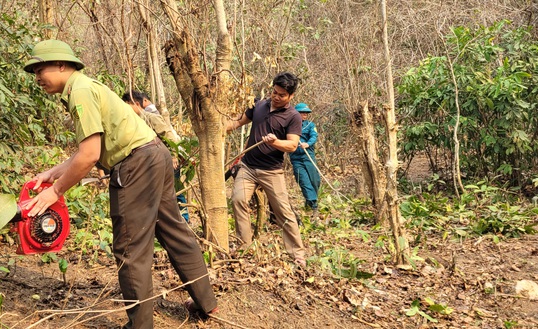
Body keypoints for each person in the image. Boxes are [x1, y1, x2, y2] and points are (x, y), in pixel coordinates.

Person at [21, 40, 217, 328]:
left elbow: (89, 156)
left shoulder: (81, 92)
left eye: (40, 69)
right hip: (154, 154)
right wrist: (53, 173)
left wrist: (55, 191)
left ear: (62, 65)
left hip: (136, 164)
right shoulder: (85, 86)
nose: (37, 77)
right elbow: (90, 150)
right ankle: (207, 304)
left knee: (130, 248)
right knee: (175, 231)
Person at [225, 72, 306, 264]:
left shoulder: (293, 117)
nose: (276, 97)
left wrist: (276, 142)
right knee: (238, 200)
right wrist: (221, 127)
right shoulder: (258, 105)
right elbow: (238, 122)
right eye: (274, 92)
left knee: (283, 211)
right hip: (248, 167)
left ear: (291, 96)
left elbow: (292, 145)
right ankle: (244, 245)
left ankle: (298, 255)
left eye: (281, 95)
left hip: (272, 171)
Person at [121, 90, 189, 222]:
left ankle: (184, 220)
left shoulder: (151, 118)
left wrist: (173, 156)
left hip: (167, 160)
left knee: (175, 192)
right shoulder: (131, 122)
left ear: (135, 104)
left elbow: (168, 136)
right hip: (149, 164)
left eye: (127, 104)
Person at [289, 103, 321, 220]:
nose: (305, 115)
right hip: (296, 159)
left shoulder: (310, 126)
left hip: (309, 157)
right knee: (304, 181)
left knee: (315, 180)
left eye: (306, 113)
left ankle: (309, 202)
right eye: (302, 113)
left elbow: (314, 136)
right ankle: (314, 206)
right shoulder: (290, 127)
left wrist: (307, 144)